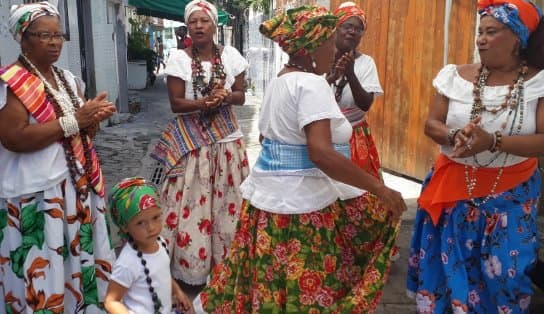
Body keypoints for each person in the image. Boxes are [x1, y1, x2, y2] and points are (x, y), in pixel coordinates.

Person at [196, 5, 406, 312]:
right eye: (330, 42)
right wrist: (380, 189)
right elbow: (320, 153)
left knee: (274, 274)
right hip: (302, 208)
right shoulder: (310, 84)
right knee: (307, 279)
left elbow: (269, 139)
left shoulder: (281, 80)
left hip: (269, 201)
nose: (334, 48)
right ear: (312, 48)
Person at [407, 0, 544, 312]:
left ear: (517, 39)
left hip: (511, 197)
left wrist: (493, 141)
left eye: (491, 32)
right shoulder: (454, 76)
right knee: (446, 274)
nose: (481, 38)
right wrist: (454, 136)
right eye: (480, 32)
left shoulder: (538, 83)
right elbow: (431, 124)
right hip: (454, 191)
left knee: (504, 279)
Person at [0, 2, 117, 313]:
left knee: (71, 267)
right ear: (22, 38)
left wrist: (93, 119)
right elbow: (13, 138)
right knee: (42, 269)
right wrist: (75, 120)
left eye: (58, 35)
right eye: (44, 35)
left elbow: (82, 135)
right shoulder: (13, 82)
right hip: (37, 196)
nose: (54, 42)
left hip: (74, 188)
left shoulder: (66, 78)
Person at [151, 0, 249, 286]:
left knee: (228, 207)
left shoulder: (231, 56)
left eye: (203, 21)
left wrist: (225, 97)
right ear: (188, 26)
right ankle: (190, 270)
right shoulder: (179, 59)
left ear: (213, 24)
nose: (198, 26)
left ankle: (227, 269)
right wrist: (205, 102)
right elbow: (176, 103)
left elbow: (241, 95)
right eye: (193, 22)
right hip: (194, 148)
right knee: (192, 206)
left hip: (228, 143)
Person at [328, 1, 401, 260]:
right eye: (347, 26)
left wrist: (350, 73)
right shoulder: (320, 56)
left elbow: (366, 103)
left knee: (364, 197)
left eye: (358, 29)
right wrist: (332, 75)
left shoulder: (365, 62)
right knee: (329, 197)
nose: (351, 32)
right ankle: (332, 250)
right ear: (335, 28)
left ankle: (364, 252)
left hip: (355, 137)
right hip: (322, 137)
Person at [104, 177, 194, 314]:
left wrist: (177, 292)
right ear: (124, 227)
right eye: (140, 223)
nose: (151, 228)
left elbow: (162, 274)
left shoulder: (160, 242)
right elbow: (111, 301)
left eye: (156, 217)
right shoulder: (127, 263)